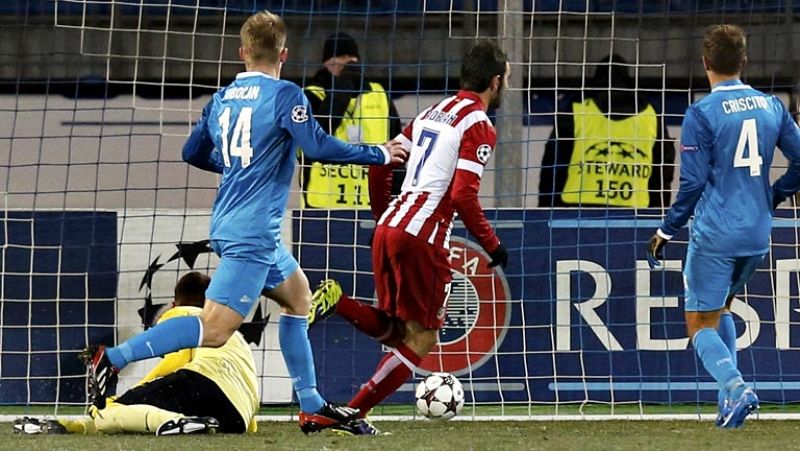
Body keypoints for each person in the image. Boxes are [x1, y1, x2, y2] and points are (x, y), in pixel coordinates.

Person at [83, 10, 408, 434]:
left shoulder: (222, 98)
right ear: (284, 54)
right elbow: (316, 146)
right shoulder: (286, 95)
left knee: (298, 299)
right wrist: (378, 153)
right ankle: (112, 359)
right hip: (252, 232)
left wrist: (236, 166)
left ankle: (311, 405)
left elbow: (191, 152)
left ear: (242, 52)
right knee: (215, 330)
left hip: (240, 224)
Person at [306, 39, 510, 435]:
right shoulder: (479, 125)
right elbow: (462, 195)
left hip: (392, 225)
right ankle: (351, 413)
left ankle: (339, 302)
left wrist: (385, 217)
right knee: (423, 338)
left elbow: (380, 162)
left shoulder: (434, 111)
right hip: (424, 235)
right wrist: (491, 244)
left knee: (398, 328)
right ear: (496, 81)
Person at [646, 24, 800, 429]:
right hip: (757, 233)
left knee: (698, 323)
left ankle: (736, 387)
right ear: (744, 61)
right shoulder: (771, 106)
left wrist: (667, 229)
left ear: (705, 63)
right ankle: (727, 407)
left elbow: (693, 182)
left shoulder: (701, 113)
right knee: (722, 308)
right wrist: (773, 196)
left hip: (716, 234)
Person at [17, 272, 258, 436]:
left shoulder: (184, 316)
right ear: (212, 304)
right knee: (127, 415)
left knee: (108, 413)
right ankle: (68, 427)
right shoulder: (231, 333)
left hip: (204, 385)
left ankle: (170, 423)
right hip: (238, 416)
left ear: (175, 303)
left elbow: (177, 361)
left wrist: (132, 395)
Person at [539, 53, 675, 208]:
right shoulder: (651, 115)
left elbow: (552, 166)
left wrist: (545, 209)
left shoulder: (576, 109)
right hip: (634, 213)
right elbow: (663, 171)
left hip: (577, 212)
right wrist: (658, 213)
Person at [299, 32, 403, 208]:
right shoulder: (309, 95)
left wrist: (396, 195)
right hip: (321, 205)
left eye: (351, 57)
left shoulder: (379, 94)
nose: (347, 62)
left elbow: (398, 148)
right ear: (326, 62)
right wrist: (344, 84)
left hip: (371, 204)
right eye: (340, 56)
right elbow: (320, 133)